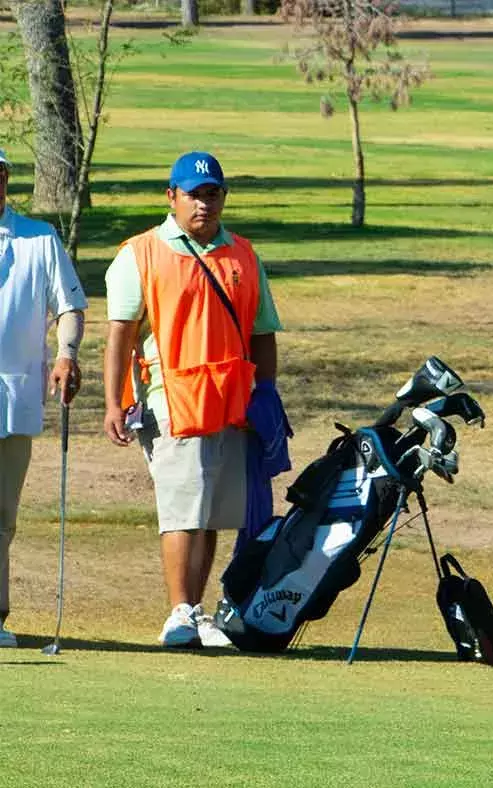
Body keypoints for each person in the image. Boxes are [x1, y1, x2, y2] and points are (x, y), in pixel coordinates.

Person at [103, 151, 283, 649]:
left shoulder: (243, 254)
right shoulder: (139, 253)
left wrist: (265, 393)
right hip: (171, 399)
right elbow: (120, 334)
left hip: (232, 402)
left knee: (212, 511)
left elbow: (263, 331)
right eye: (193, 195)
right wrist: (114, 403)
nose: (203, 204)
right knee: (183, 508)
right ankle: (178, 611)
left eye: (212, 194)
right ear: (172, 197)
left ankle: (197, 610)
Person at [0, 148, 87, 648]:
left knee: (2, 517)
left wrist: (66, 354)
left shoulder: (39, 238)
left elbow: (70, 305)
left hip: (14, 397)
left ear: (6, 178)